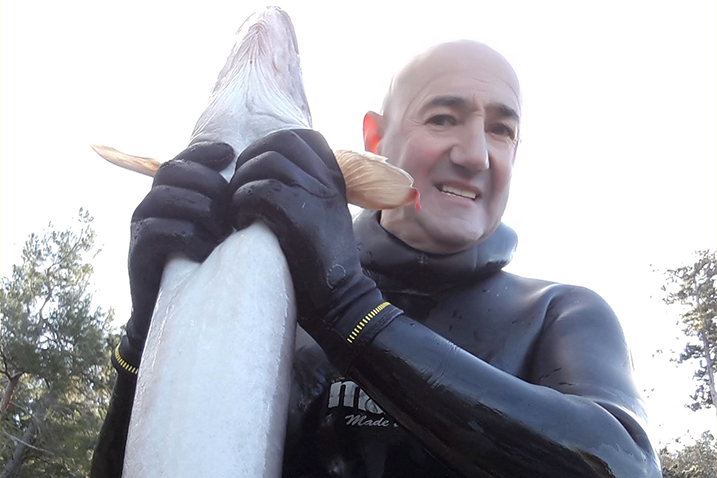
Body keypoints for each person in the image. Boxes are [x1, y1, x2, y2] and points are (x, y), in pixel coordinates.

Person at [92, 40, 661, 477]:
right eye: (443, 118)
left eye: (501, 130)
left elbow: (625, 464)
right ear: (374, 138)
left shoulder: (561, 313)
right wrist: (146, 340)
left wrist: (350, 310)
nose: (475, 155)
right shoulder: (270, 303)